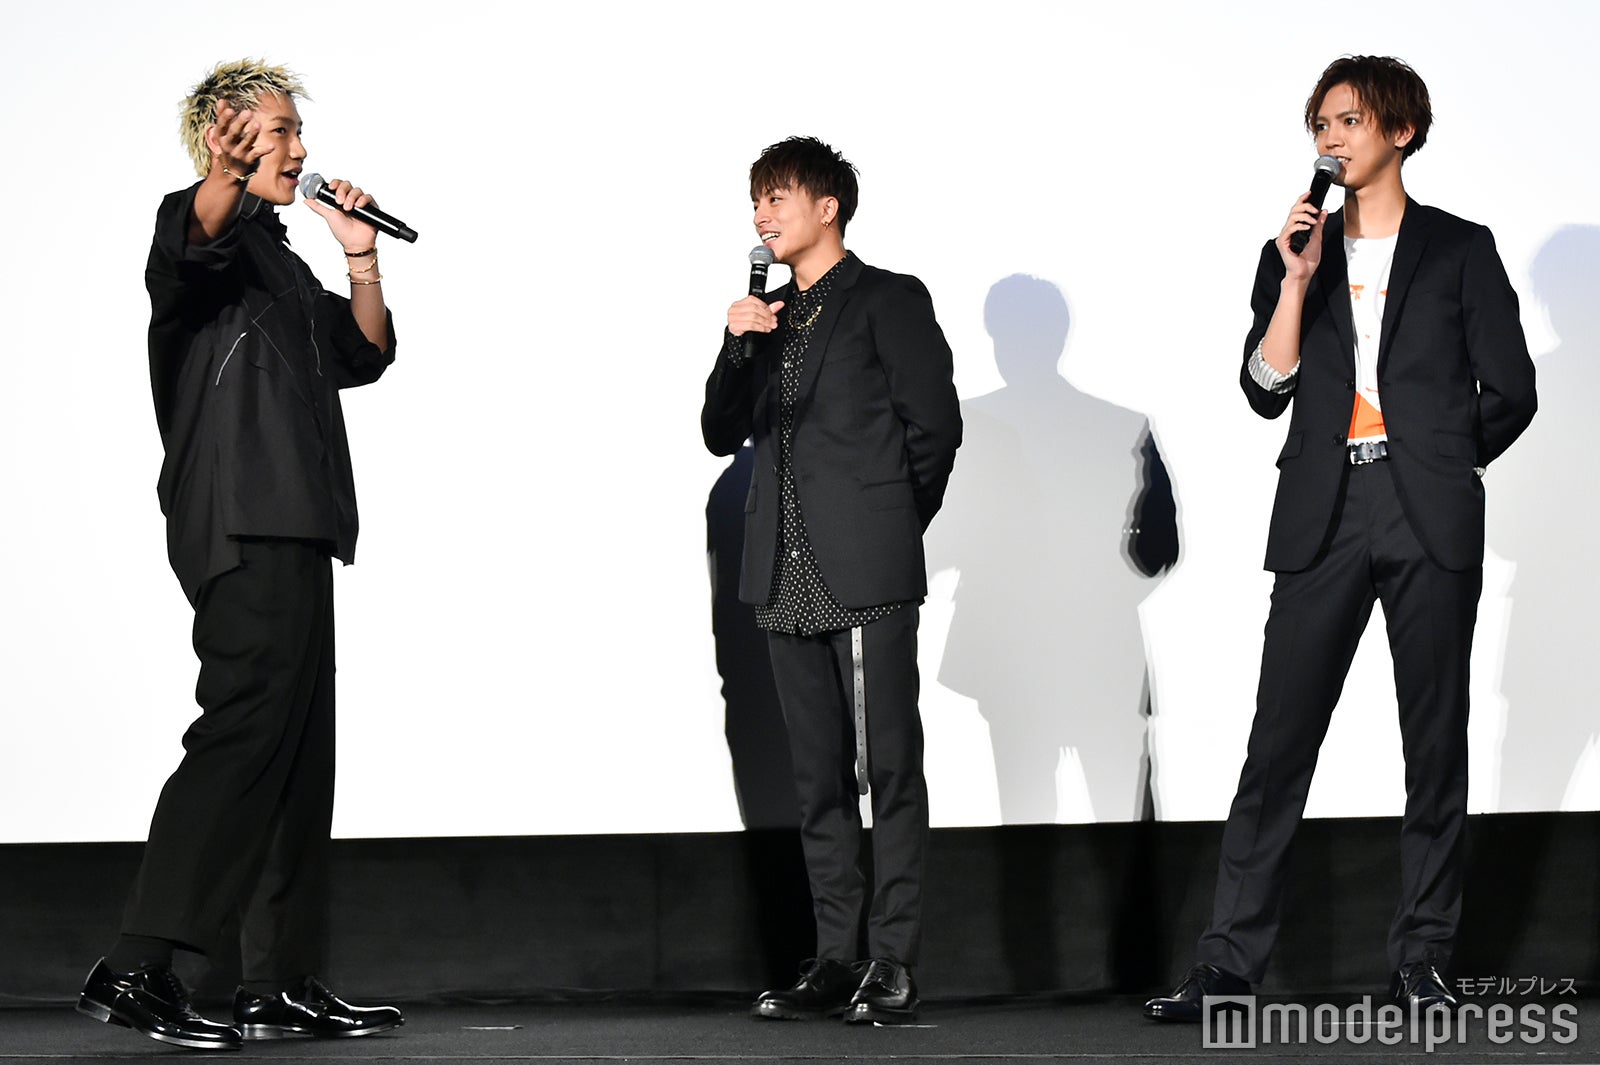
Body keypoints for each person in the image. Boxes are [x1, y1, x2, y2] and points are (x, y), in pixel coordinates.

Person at [1144, 55, 1536, 1021]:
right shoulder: (1292, 251)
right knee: (1277, 742)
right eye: (1320, 123)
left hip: (1426, 509)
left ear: (1401, 130)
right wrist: (1294, 280)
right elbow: (1262, 388)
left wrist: (1439, 460)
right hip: (1323, 509)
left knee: (1433, 742)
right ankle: (1229, 966)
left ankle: (1422, 958)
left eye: (1349, 120)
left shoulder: (1460, 249)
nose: (1330, 138)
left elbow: (1512, 390)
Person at [76, 59, 404, 1050]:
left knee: (300, 755)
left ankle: (279, 982)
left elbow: (363, 354)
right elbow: (193, 239)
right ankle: (135, 966)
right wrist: (219, 173)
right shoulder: (196, 233)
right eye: (279, 132)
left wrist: (360, 257)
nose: (300, 149)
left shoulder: (279, 259)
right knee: (242, 732)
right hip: (240, 516)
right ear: (224, 137)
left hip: (299, 521)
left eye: (298, 131)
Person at [702, 137, 961, 1024]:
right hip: (781, 569)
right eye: (757, 200)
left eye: (778, 197)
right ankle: (835, 956)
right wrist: (736, 343)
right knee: (815, 778)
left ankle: (892, 957)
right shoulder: (765, 316)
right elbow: (716, 431)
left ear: (828, 207)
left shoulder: (888, 298)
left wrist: (888, 522)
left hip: (868, 566)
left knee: (889, 766)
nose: (762, 214)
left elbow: (935, 429)